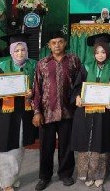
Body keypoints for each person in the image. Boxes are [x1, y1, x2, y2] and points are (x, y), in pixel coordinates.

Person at [0, 34, 38, 191]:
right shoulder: (1, 67)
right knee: (4, 149)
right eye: (17, 50)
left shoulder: (33, 66)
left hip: (23, 113)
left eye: (23, 50)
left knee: (18, 147)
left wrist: (32, 93)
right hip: (4, 114)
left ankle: (12, 178)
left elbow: (40, 89)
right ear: (11, 52)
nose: (20, 53)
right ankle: (5, 183)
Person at [32, 30, 82, 190]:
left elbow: (79, 84)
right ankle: (44, 177)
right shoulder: (42, 64)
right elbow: (37, 90)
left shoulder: (74, 60)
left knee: (66, 145)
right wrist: (37, 112)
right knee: (46, 147)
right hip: (47, 112)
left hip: (68, 111)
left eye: (60, 41)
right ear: (49, 45)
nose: (57, 45)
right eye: (53, 43)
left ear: (65, 43)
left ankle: (65, 174)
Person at [71, 33, 110, 188]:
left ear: (108, 52)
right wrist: (77, 96)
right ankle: (86, 174)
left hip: (104, 112)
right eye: (97, 52)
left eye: (103, 52)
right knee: (86, 140)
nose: (100, 55)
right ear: (93, 53)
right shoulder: (86, 67)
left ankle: (100, 174)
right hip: (85, 110)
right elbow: (77, 87)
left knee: (101, 140)